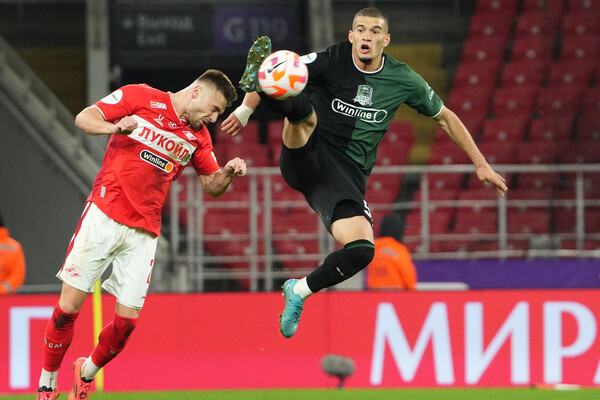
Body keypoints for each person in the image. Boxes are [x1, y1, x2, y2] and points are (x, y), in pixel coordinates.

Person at [222, 7, 507, 338]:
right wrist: (245, 110)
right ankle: (261, 81)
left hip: (342, 178)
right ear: (351, 36)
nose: (366, 36)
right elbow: (286, 71)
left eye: (374, 31)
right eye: (360, 30)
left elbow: (445, 117)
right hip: (307, 152)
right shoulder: (333, 58)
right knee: (301, 108)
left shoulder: (403, 79)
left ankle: (299, 291)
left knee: (362, 251)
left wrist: (480, 163)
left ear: (386, 40)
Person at [36, 69, 246, 400]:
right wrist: (114, 127)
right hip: (103, 216)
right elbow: (84, 118)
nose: (214, 118)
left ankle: (85, 371)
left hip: (144, 233)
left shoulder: (199, 137)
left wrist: (229, 172)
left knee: (126, 325)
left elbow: (212, 185)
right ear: (196, 92)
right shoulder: (140, 97)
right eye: (214, 109)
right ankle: (47, 384)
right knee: (67, 310)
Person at [366, 213, 416, 290]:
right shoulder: (399, 249)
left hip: (373, 292)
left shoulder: (373, 248)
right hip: (396, 294)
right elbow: (409, 279)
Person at [0, 212, 26, 294]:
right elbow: (17, 277)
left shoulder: (15, 247)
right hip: (6, 298)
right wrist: (3, 289)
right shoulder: (15, 247)